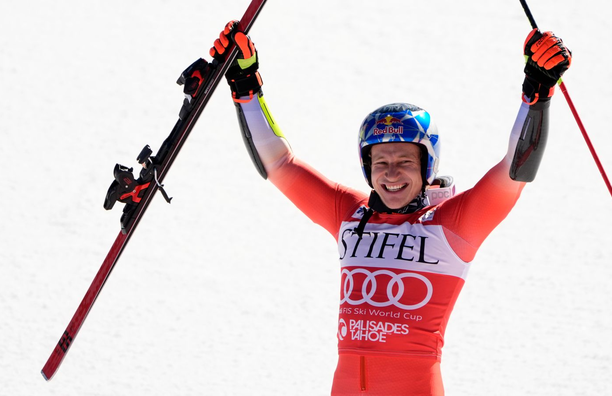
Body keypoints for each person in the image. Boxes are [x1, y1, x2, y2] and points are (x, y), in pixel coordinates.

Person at [209, 21, 571, 396]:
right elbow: (279, 165)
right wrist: (245, 87)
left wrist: (537, 91)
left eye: (406, 162)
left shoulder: (452, 226)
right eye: (380, 162)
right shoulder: (350, 214)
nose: (392, 173)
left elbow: (515, 170)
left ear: (427, 166)